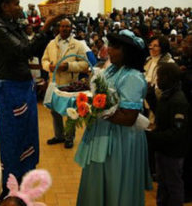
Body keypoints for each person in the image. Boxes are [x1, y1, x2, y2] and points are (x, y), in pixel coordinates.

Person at [0, 0, 62, 201]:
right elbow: (24, 50)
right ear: (4, 6)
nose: (20, 7)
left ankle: (22, 181)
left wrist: (42, 30)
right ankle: (10, 188)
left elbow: (32, 48)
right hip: (11, 89)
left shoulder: (12, 25)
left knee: (27, 135)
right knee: (13, 138)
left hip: (23, 86)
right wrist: (46, 27)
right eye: (16, 3)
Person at [75, 30, 152, 206]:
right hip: (104, 134)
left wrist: (95, 110)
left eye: (116, 47)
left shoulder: (132, 76)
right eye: (110, 45)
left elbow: (128, 118)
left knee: (115, 184)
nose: (109, 50)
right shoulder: (112, 69)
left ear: (128, 52)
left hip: (120, 141)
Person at [146, 63, 190, 206]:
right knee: (163, 184)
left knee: (173, 185)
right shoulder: (167, 95)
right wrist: (151, 96)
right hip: (163, 149)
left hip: (173, 152)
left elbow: (176, 133)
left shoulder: (178, 101)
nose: (157, 80)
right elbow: (161, 115)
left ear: (168, 78)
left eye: (159, 77)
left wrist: (151, 136)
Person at [41, 18, 89, 148]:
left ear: (71, 28)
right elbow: (44, 60)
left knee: (70, 111)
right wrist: (48, 66)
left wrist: (68, 66)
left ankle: (69, 138)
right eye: (62, 26)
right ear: (58, 28)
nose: (64, 29)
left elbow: (84, 64)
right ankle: (59, 136)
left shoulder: (78, 45)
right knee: (54, 111)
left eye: (67, 26)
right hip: (54, 82)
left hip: (70, 84)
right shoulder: (51, 43)